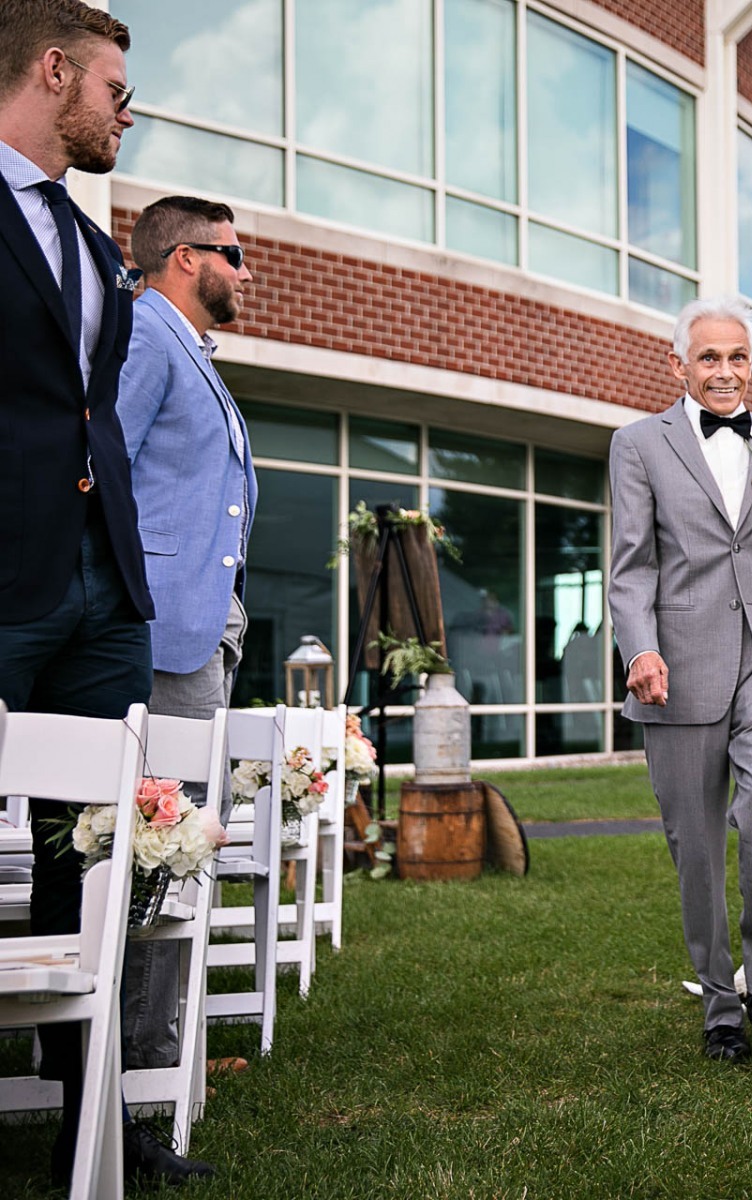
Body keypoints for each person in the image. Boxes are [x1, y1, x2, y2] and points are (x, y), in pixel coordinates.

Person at [0, 0, 214, 1185]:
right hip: (7, 582)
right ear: (53, 72)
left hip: (100, 592)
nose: (126, 112)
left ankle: (97, 1122)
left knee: (103, 851)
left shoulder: (92, 244)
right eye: (116, 91)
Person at [608, 297, 752, 1066]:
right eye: (709, 358)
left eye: (738, 356)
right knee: (695, 844)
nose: (726, 371)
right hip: (676, 669)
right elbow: (629, 565)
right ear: (679, 365)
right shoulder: (636, 445)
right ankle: (718, 1002)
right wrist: (640, 649)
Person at [115, 194, 258, 1075]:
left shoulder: (188, 349)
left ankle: (162, 1045)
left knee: (182, 843)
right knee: (162, 841)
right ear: (184, 258)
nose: (246, 272)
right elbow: (99, 475)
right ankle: (137, 1057)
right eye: (233, 255)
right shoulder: (144, 338)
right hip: (160, 633)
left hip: (203, 630)